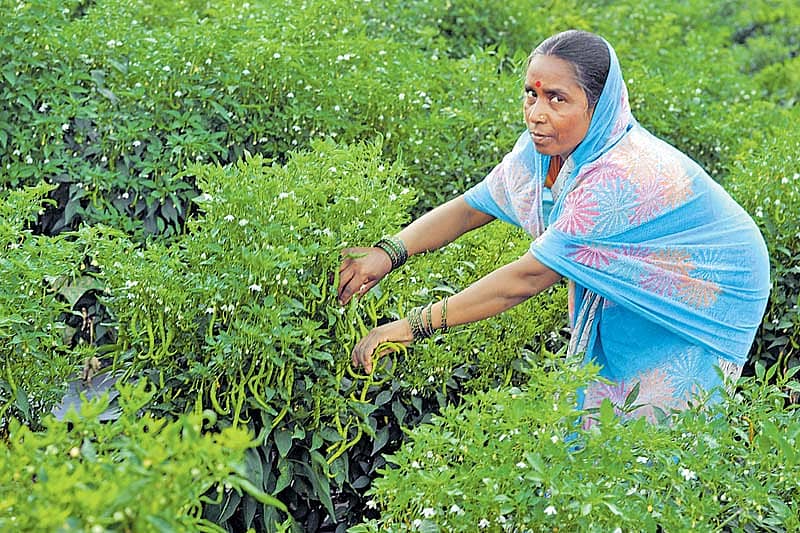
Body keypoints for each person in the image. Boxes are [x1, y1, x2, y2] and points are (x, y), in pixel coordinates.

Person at [337, 30, 770, 423]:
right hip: (659, 273)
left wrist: (409, 328)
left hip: (711, 285)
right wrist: (387, 253)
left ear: (597, 107)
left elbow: (526, 278)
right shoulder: (545, 150)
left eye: (557, 99)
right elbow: (473, 207)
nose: (536, 114)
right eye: (531, 94)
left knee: (654, 422)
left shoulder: (618, 175)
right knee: (607, 406)